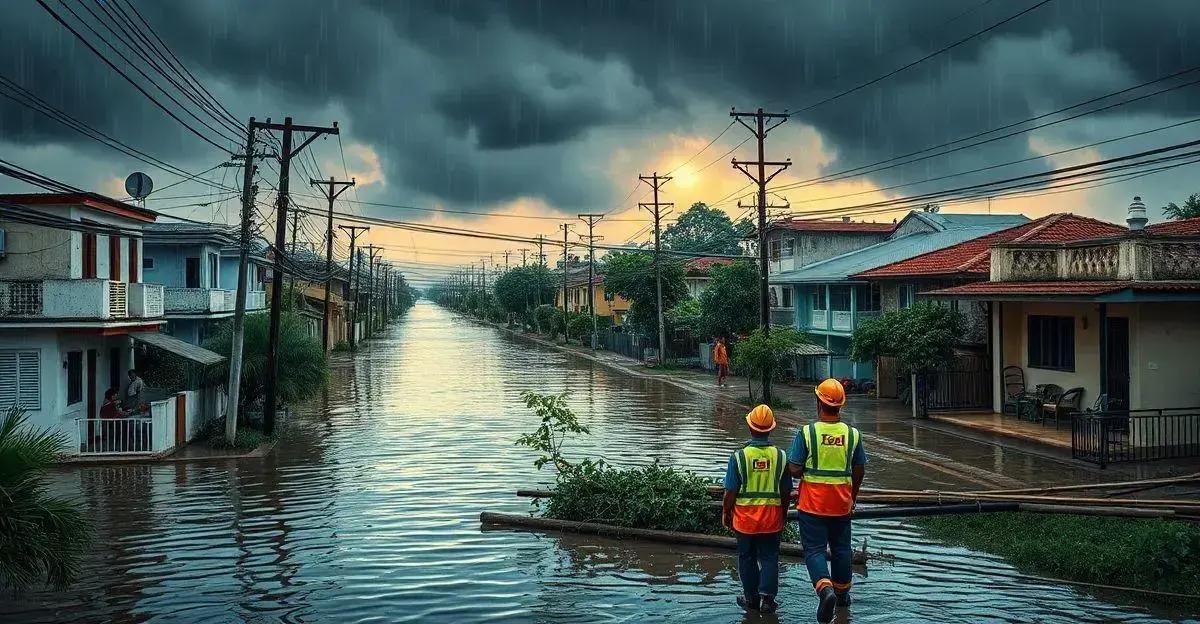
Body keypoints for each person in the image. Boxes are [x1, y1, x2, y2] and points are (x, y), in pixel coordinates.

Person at [787, 378, 866, 624]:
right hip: (841, 504)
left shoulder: (807, 432)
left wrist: (804, 471)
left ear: (818, 402)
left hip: (813, 505)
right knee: (842, 549)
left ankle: (825, 590)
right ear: (840, 405)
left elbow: (794, 468)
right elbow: (859, 469)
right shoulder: (853, 434)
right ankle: (842, 597)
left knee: (814, 550)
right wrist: (852, 497)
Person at [722, 404, 791, 614]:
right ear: (770, 429)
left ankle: (751, 600)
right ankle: (768, 600)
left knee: (747, 557)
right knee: (770, 557)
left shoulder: (739, 457)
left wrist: (726, 512)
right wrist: (783, 514)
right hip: (772, 519)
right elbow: (786, 492)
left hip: (745, 521)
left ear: (750, 427)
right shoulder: (781, 457)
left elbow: (730, 492)